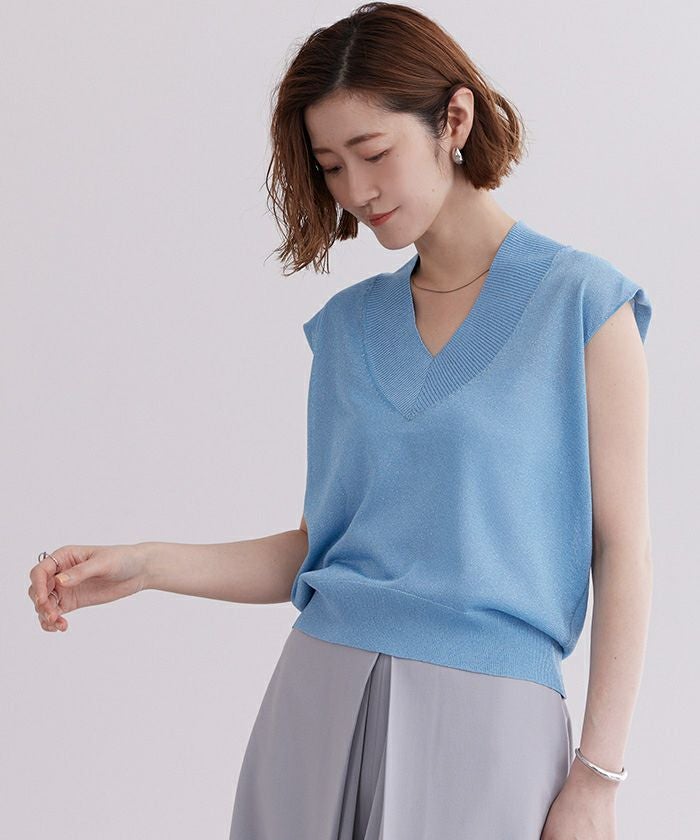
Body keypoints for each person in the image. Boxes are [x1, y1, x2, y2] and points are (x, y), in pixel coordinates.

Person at [28, 3, 653, 838]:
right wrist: (145, 565)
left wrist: (598, 779)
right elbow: (319, 547)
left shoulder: (583, 306)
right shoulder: (349, 330)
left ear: (453, 120)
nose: (356, 192)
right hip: (315, 703)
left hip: (491, 727)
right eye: (330, 166)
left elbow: (624, 551)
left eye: (373, 153)